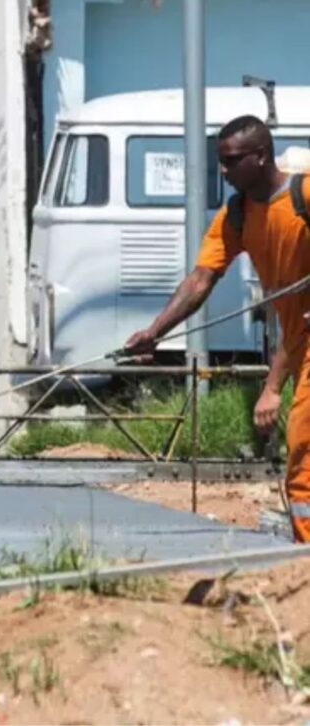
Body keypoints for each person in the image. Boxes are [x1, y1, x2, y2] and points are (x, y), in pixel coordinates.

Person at [123, 114, 310, 541]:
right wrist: (157, 331)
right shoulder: (238, 215)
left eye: (230, 161)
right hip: (298, 345)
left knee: (302, 454)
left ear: (260, 156)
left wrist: (271, 386)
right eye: (219, 162)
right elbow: (201, 279)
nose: (222, 172)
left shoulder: (304, 195)